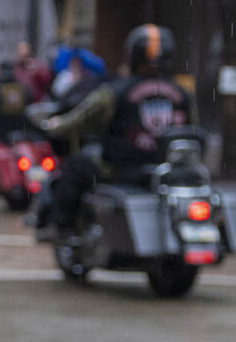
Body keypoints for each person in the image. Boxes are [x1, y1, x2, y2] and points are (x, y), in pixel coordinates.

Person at [35, 23, 193, 231]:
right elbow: (193, 131)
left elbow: (78, 121)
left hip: (121, 169)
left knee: (74, 166)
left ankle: (61, 227)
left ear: (132, 55)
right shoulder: (182, 94)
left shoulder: (115, 91)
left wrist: (53, 126)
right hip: (166, 169)